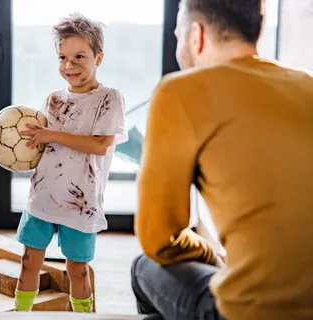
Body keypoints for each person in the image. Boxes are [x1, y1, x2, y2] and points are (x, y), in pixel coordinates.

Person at [131, 0, 313, 319]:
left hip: (249, 311)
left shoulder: (181, 91)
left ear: (196, 36)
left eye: (178, 36)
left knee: (144, 267)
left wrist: (211, 255)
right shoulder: (307, 85)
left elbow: (158, 239)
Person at [15, 13, 128, 313]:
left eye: (79, 56)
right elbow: (40, 145)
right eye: (63, 57)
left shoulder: (109, 99)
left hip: (82, 203)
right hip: (41, 196)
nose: (69, 65)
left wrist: (50, 134)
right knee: (28, 263)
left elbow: (100, 145)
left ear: (98, 57)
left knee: (77, 270)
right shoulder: (53, 99)